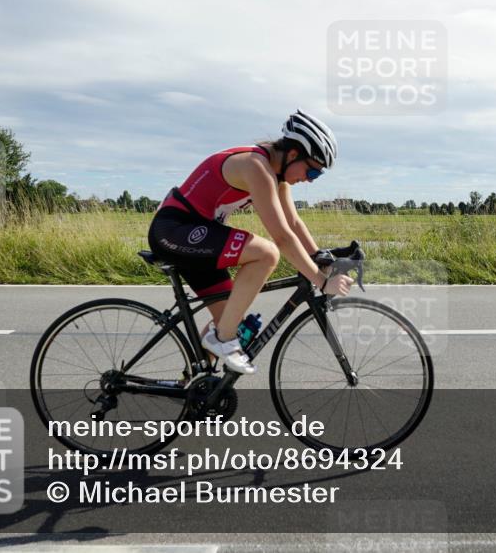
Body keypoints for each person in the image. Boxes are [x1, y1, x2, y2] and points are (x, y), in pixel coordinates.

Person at [147, 110, 353, 374]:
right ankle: (222, 340)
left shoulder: (277, 176)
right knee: (266, 253)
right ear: (293, 154)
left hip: (200, 235)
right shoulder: (256, 167)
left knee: (229, 320)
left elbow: (293, 224)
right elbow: (282, 237)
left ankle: (194, 389)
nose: (309, 180)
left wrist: (319, 257)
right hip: (174, 229)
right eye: (312, 172)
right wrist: (321, 282)